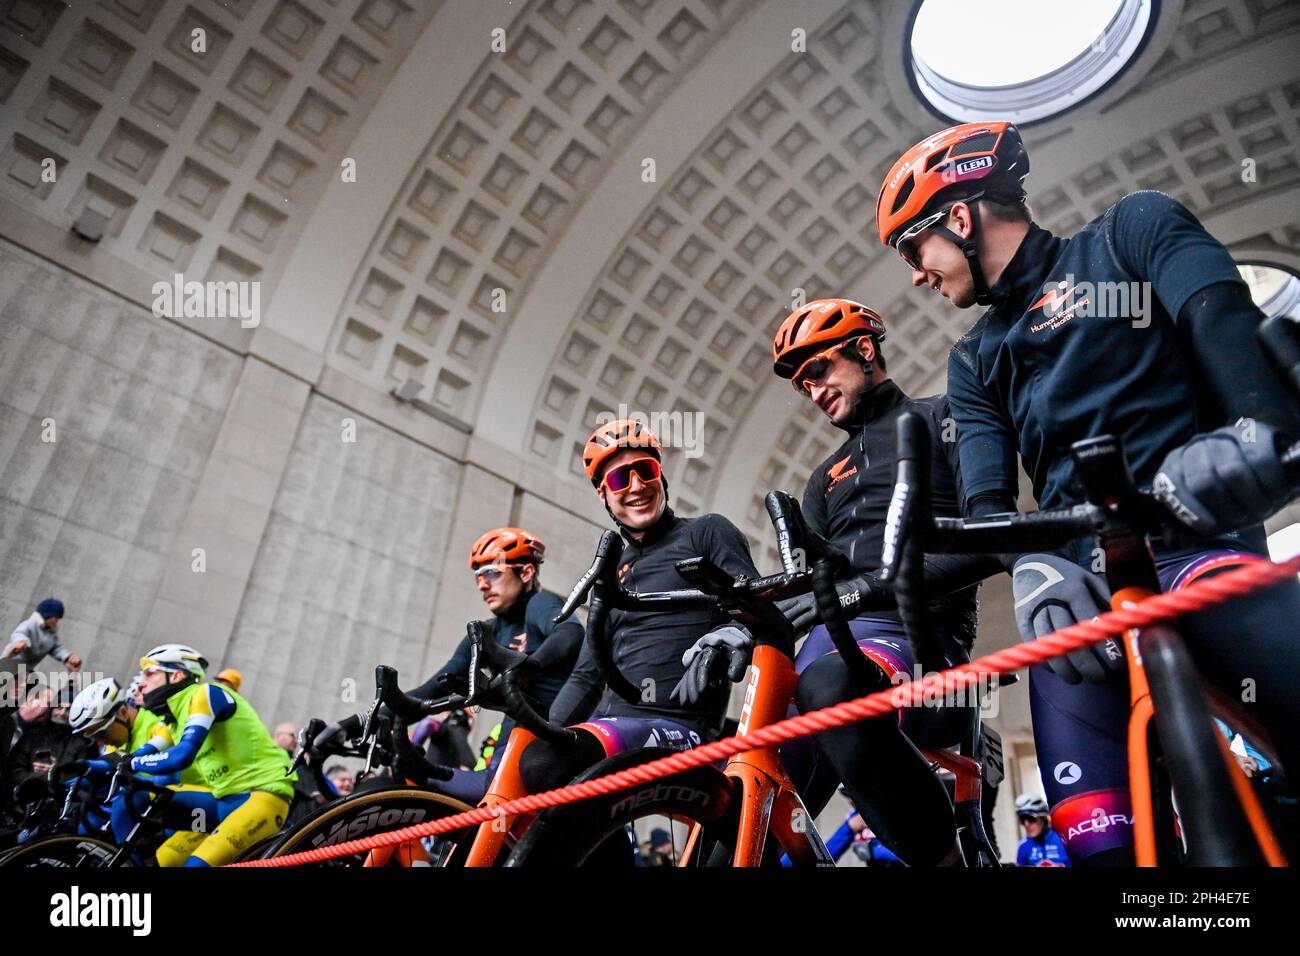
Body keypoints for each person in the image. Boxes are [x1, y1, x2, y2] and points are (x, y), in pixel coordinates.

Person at [876, 121, 1300, 864]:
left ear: (962, 218)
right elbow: (988, 506)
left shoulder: (1130, 228)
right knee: (1102, 850)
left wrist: (1257, 427)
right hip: (1082, 601)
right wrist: (1030, 564)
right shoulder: (974, 360)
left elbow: (1221, 319)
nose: (917, 272)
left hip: (1195, 550)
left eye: (915, 249)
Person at [741, 298, 994, 867]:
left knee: (829, 687)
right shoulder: (821, 478)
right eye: (801, 385)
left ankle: (945, 862)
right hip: (826, 650)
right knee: (740, 797)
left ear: (863, 348)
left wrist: (873, 589)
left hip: (918, 643)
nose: (812, 391)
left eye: (818, 370)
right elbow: (810, 589)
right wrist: (748, 623)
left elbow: (990, 540)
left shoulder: (943, 417)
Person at [517, 420, 761, 794]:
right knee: (529, 762)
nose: (635, 486)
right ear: (603, 494)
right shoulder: (611, 570)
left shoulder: (707, 532)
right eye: (619, 480)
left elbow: (761, 611)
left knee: (545, 763)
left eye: (644, 471)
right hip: (614, 723)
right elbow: (586, 676)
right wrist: (545, 731)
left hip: (683, 729)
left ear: (660, 476)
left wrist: (739, 631)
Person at [400, 527, 584, 802]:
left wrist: (527, 667)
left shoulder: (539, 604)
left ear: (526, 573)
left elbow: (570, 634)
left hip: (546, 758)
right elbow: (435, 686)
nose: (482, 584)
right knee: (411, 781)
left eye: (492, 572)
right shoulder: (488, 631)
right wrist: (364, 721)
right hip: (502, 764)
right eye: (478, 576)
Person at [95, 644, 296, 867]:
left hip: (261, 796)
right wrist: (90, 767)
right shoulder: (173, 717)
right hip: (221, 800)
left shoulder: (206, 694)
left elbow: (182, 756)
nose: (141, 682)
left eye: (150, 673)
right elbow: (140, 753)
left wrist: (132, 763)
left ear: (177, 675)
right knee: (131, 800)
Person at [4, 599, 81, 672]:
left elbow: (55, 649)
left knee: (31, 681)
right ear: (47, 615)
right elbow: (19, 633)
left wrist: (67, 657)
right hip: (11, 662)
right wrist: (21, 641)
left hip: (25, 669)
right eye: (56, 617)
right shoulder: (30, 624)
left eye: (58, 618)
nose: (57, 621)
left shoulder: (51, 634)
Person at [1014, 794, 1070, 866]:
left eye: (1031, 818)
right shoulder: (1023, 846)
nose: (1026, 824)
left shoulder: (1063, 839)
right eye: (1022, 820)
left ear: (1043, 817)